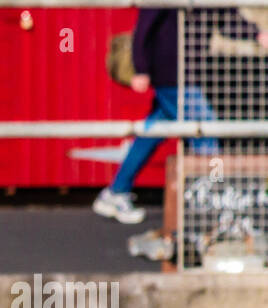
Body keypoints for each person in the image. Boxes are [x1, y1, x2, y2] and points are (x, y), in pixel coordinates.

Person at [95, 8, 268, 224]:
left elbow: (224, 16)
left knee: (150, 135)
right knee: (207, 133)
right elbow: (144, 28)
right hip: (173, 76)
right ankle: (215, 200)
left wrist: (256, 34)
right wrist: (141, 68)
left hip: (185, 73)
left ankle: (116, 192)